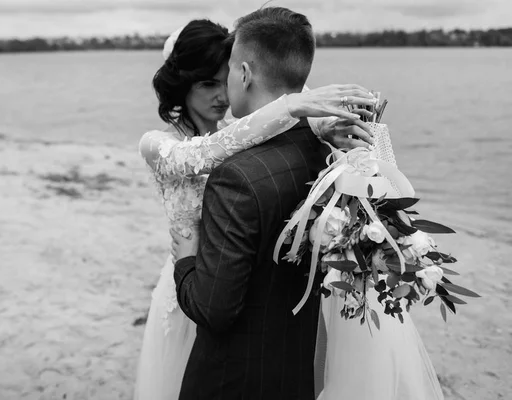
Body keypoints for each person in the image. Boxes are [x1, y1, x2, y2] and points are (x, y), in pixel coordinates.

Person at [172, 8, 444, 400]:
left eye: (231, 68)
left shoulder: (235, 178)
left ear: (244, 73)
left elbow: (215, 309)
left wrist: (185, 262)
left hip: (233, 379)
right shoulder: (326, 153)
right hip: (297, 366)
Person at [134, 17, 376, 400]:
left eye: (223, 79)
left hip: (238, 278)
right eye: (206, 83)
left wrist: (321, 124)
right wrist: (292, 106)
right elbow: (208, 152)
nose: (220, 95)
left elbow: (272, 87)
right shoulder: (157, 144)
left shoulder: (245, 125)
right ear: (183, 86)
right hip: (189, 276)